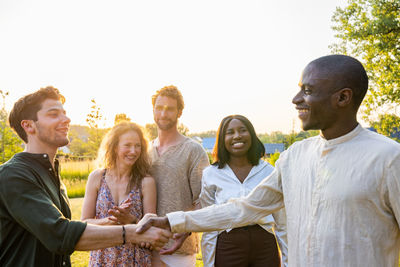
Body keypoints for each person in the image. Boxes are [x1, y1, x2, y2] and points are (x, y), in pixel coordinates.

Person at [137, 55, 400, 267]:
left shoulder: (389, 158)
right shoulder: (294, 157)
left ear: (343, 97)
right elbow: (243, 208)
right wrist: (172, 220)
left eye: (307, 91)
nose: (296, 100)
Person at [0, 86, 171, 267]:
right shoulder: (14, 176)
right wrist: (131, 232)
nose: (66, 119)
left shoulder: (52, 176)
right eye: (53, 114)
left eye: (64, 113)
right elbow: (60, 234)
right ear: (28, 126)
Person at [200, 114, 287, 267]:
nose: (237, 136)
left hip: (264, 246)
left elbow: (282, 223)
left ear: (252, 135)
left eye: (242, 130)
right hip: (228, 246)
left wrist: (287, 261)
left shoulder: (269, 172)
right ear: (222, 139)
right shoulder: (210, 174)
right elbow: (209, 224)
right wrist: (208, 263)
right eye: (230, 132)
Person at [149, 85, 210, 266]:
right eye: (159, 108)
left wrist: (187, 227)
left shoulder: (194, 151)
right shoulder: (144, 149)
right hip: (146, 245)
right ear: (153, 110)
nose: (163, 113)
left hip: (179, 248)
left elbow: (204, 200)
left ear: (179, 112)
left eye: (170, 109)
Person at [81, 121, 156, 266]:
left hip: (135, 259)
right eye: (127, 145)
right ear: (115, 147)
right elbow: (84, 222)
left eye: (137, 146)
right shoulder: (97, 177)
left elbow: (151, 230)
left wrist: (131, 221)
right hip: (102, 257)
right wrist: (109, 221)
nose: (133, 151)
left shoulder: (146, 182)